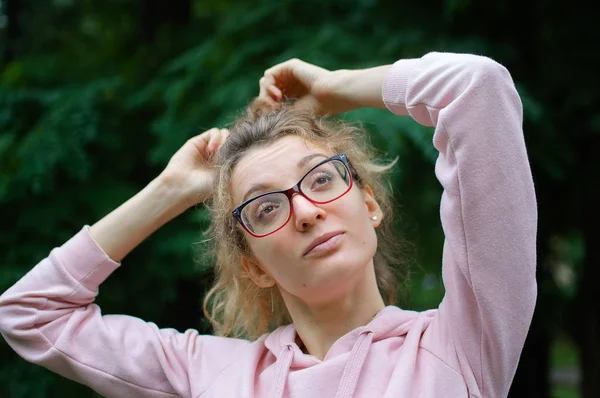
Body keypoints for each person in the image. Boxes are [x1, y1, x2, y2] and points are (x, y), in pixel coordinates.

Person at [0, 52, 537, 398]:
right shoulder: (212, 374)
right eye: (265, 208)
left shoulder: (462, 343)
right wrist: (172, 192)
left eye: (322, 179)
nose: (305, 211)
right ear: (254, 266)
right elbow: (29, 313)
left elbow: (477, 88)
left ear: (369, 204)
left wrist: (337, 88)